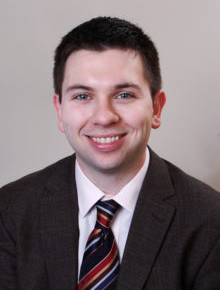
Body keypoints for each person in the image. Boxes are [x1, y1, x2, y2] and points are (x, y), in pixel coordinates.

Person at [0, 17, 220, 290]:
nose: (104, 117)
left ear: (156, 108)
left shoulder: (211, 220)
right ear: (59, 110)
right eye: (82, 96)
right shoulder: (9, 211)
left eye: (124, 95)